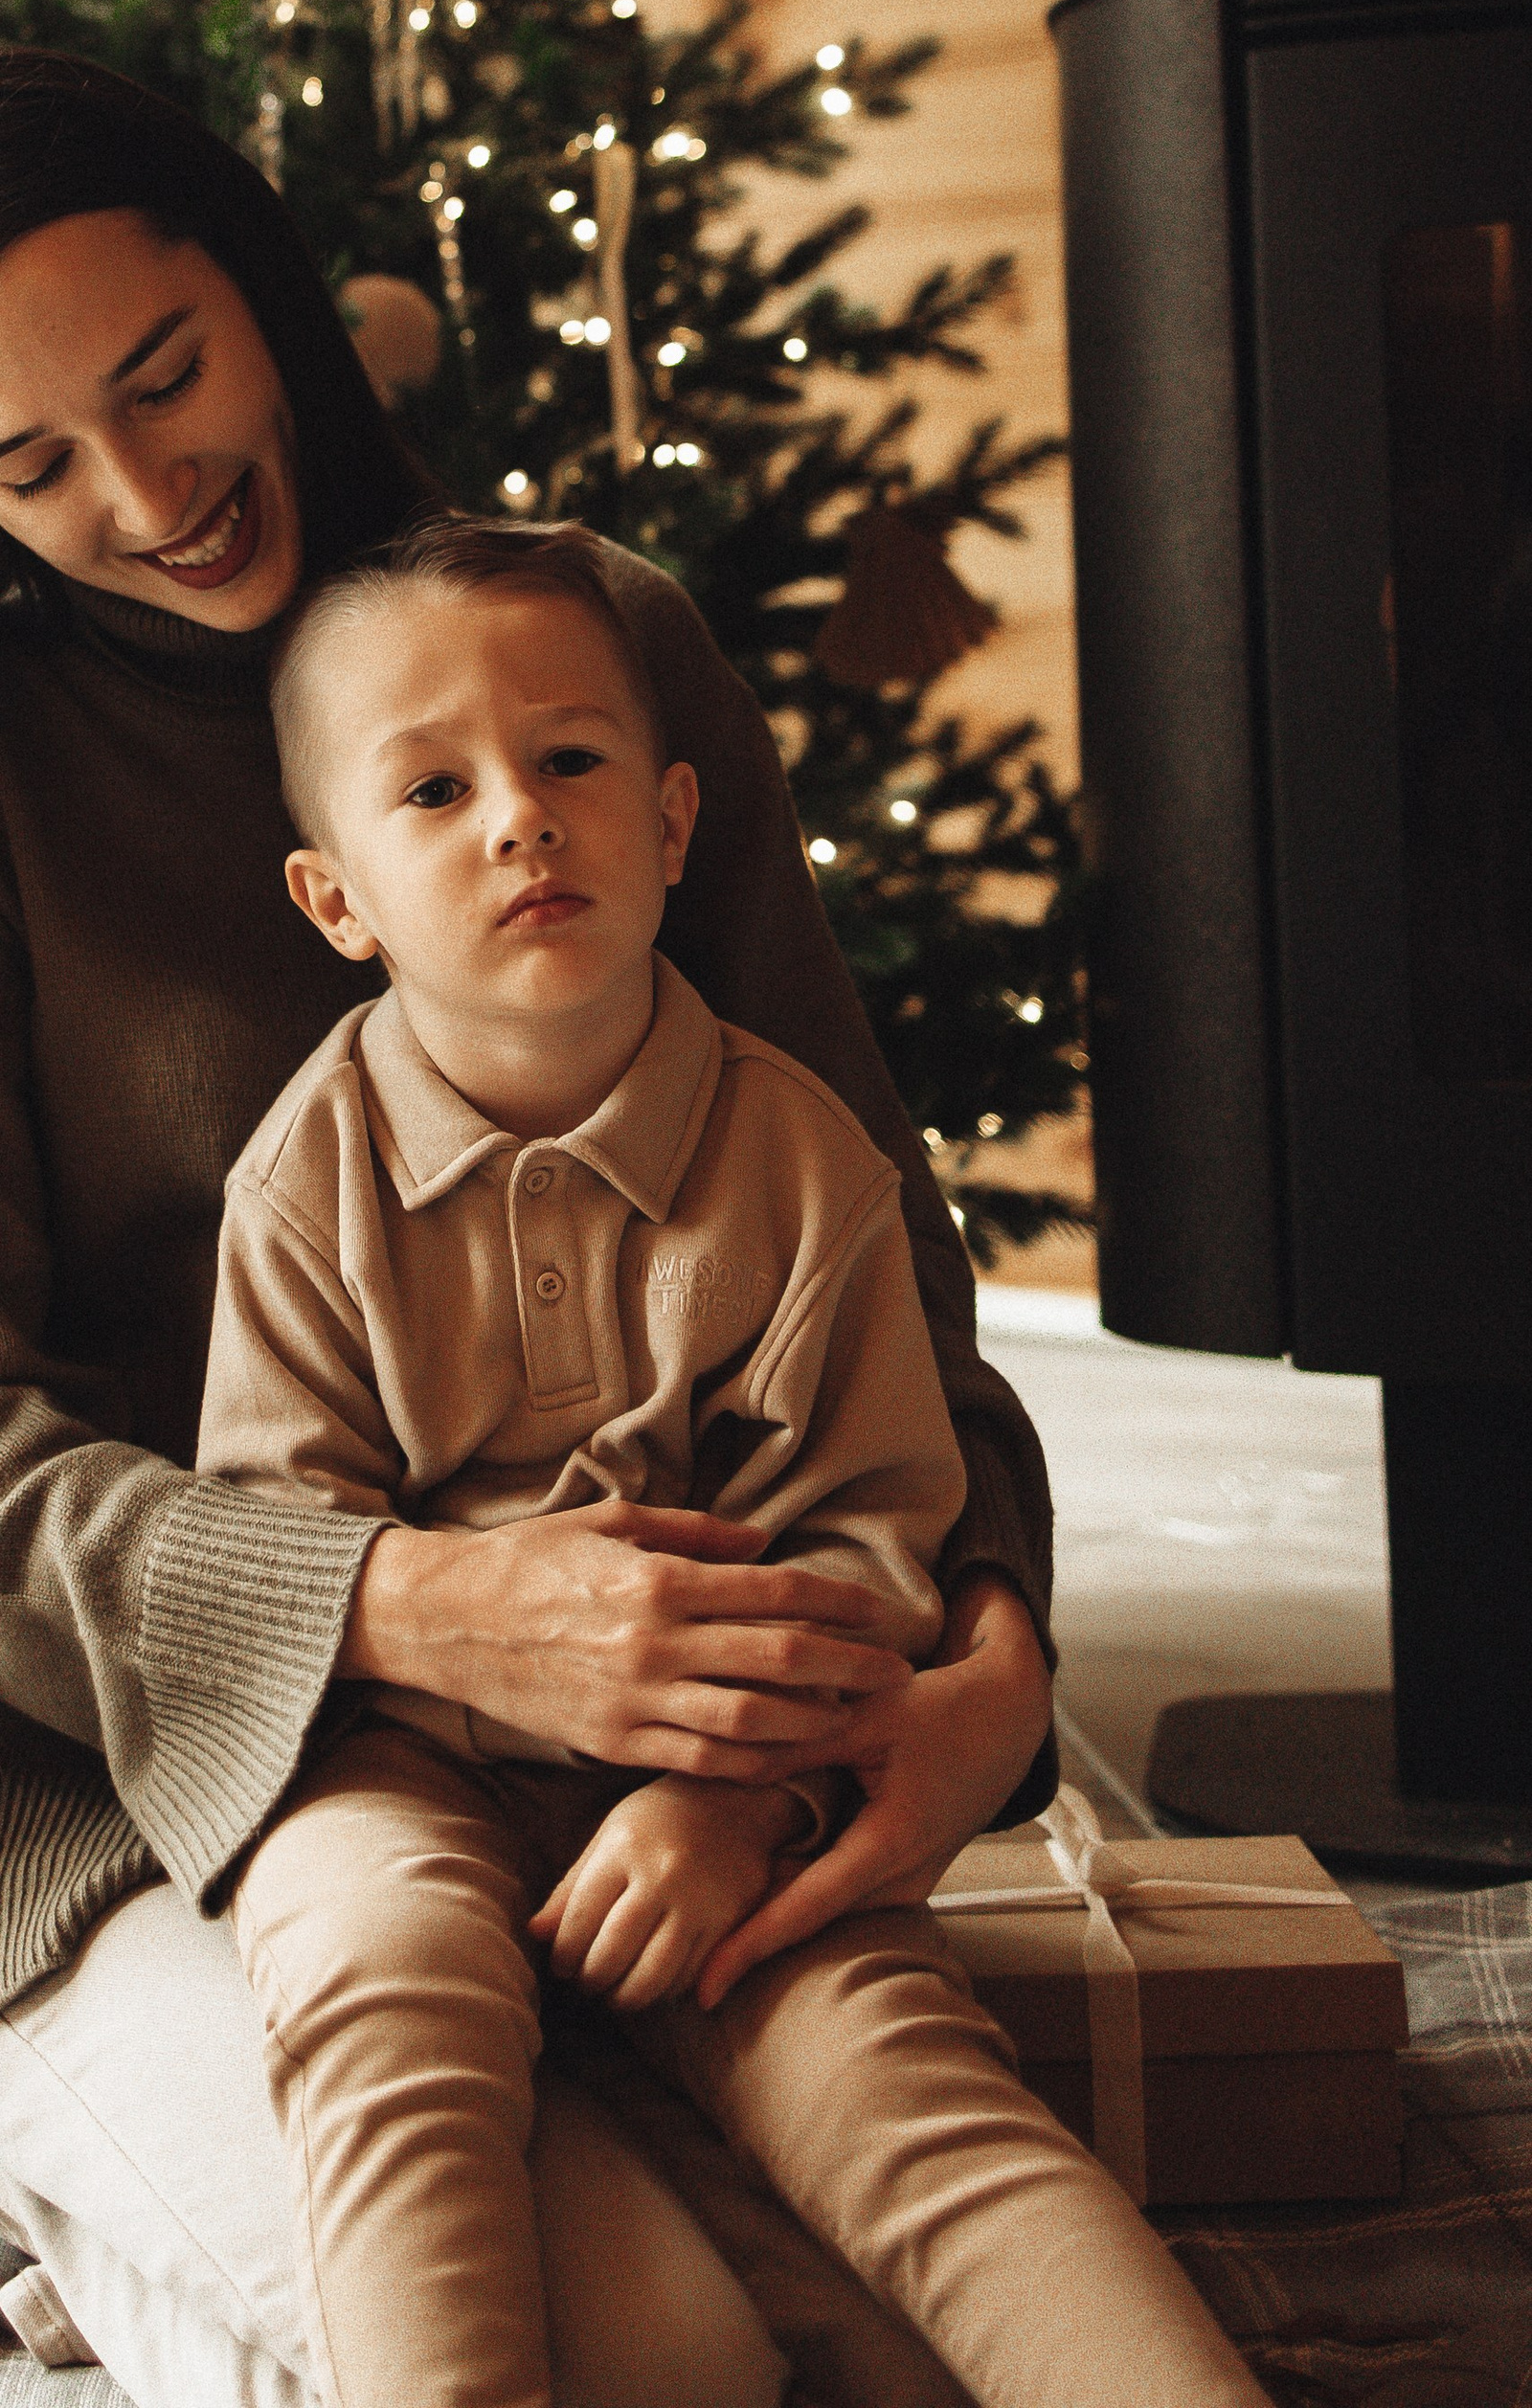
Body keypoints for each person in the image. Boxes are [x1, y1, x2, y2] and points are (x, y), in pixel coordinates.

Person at [0, 45, 1064, 2407]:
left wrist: (984, 1649)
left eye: (164, 379)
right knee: (653, 2360)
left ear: (259, 289)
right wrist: (421, 1605)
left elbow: (869, 1237)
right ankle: (90, 2211)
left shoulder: (585, 645)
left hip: (597, 1769)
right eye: (24, 464)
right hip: (81, 1798)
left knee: (926, 2310)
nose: (142, 495)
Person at [201, 515, 1265, 2408]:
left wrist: (722, 1806)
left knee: (903, 2091)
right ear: (333, 898)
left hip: (744, 1781)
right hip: (402, 1772)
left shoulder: (797, 1165)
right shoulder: (303, 1183)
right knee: (370, 1993)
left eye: (569, 761)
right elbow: (282, 1558)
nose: (518, 817)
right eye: (432, 789)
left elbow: (871, 1542)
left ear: (675, 823)